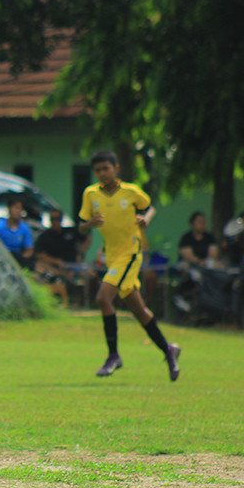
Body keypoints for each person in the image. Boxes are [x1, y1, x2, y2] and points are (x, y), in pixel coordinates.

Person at [78, 150, 180, 381]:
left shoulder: (130, 191)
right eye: (98, 170)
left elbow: (149, 207)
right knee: (139, 311)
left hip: (131, 253)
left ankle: (113, 356)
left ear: (116, 168)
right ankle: (168, 350)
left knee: (103, 298)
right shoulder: (91, 194)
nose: (102, 173)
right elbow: (81, 227)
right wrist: (90, 223)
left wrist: (146, 219)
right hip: (111, 257)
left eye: (106, 168)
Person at [34, 209, 91, 305]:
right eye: (53, 219)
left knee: (90, 275)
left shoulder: (70, 231)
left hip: (73, 264)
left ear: (61, 219)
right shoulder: (44, 236)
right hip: (56, 267)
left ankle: (85, 302)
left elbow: (87, 238)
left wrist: (80, 254)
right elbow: (39, 254)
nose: (55, 221)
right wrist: (55, 261)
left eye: (58, 218)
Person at [0, 197, 34, 269]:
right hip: (1, 255)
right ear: (9, 209)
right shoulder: (0, 226)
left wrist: (21, 259)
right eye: (15, 208)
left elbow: (29, 249)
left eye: (19, 208)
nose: (17, 211)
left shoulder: (24, 228)